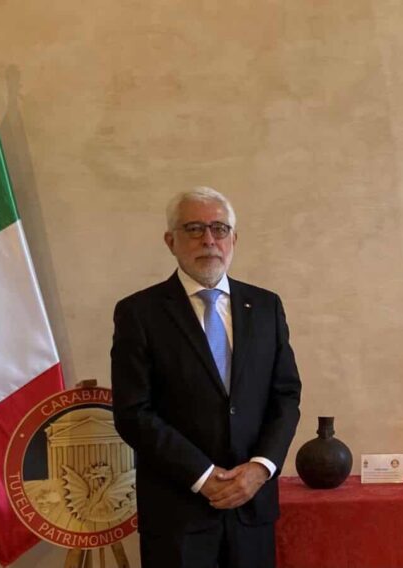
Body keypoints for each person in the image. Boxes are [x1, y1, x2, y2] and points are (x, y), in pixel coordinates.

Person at [112, 186, 302, 567]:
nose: (209, 240)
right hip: (177, 515)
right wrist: (202, 475)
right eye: (194, 228)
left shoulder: (266, 306)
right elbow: (134, 412)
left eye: (219, 228)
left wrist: (261, 468)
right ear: (171, 241)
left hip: (252, 510)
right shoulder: (139, 313)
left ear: (234, 239)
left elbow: (285, 396)